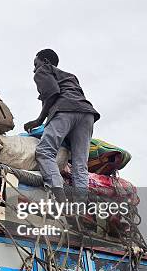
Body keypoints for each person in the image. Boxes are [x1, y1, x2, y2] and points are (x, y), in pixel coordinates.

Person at [24, 49, 100, 202]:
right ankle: (81, 206)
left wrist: (39, 120)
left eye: (35, 64)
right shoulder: (71, 76)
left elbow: (52, 93)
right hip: (87, 114)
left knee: (45, 151)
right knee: (80, 164)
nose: (34, 69)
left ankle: (60, 199)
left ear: (45, 62)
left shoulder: (43, 70)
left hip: (65, 110)